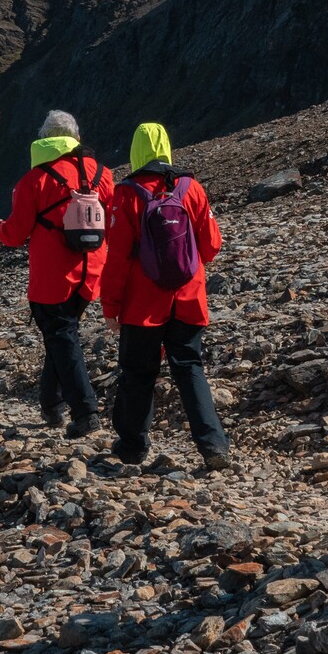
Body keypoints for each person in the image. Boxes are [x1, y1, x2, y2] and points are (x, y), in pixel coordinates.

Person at [100, 123, 232, 471]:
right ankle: (213, 445)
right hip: (188, 300)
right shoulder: (191, 188)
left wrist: (110, 306)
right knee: (189, 369)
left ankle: (132, 448)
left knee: (138, 374)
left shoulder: (126, 194)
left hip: (142, 307)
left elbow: (116, 259)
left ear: (136, 152)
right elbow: (212, 246)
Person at [0, 110, 115, 438]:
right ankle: (51, 403)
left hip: (53, 274)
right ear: (75, 138)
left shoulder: (34, 180)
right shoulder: (102, 174)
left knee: (62, 335)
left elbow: (16, 233)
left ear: (45, 139)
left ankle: (85, 411)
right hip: (92, 270)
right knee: (62, 335)